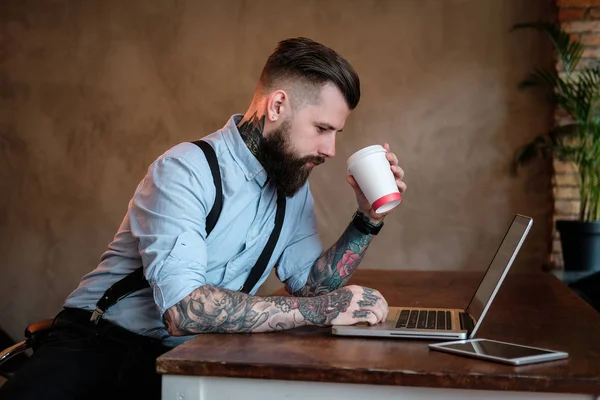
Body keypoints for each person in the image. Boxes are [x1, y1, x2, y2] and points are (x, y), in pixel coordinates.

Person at [0, 37, 406, 400]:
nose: (331, 149)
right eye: (322, 128)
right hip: (99, 342)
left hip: (189, 355)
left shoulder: (292, 186)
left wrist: (367, 217)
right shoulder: (185, 170)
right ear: (278, 106)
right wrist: (323, 311)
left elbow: (312, 287)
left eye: (335, 132)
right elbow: (183, 310)